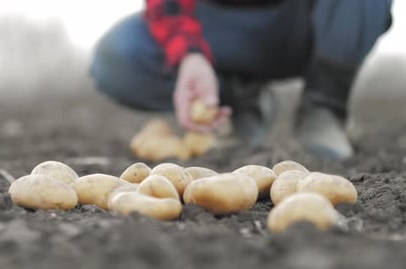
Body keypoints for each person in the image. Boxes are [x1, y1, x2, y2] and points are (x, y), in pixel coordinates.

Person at [90, 0, 393, 160]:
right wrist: (190, 54)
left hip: (306, 22)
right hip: (218, 26)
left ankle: (325, 104)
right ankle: (241, 96)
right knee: (116, 56)